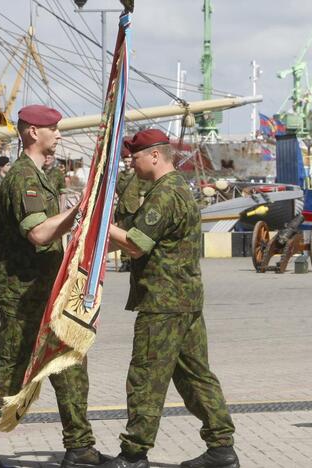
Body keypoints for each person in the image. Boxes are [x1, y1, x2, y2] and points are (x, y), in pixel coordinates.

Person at [0, 105, 108, 468]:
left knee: (70, 361)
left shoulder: (41, 176)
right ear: (31, 133)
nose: (59, 135)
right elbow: (39, 233)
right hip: (24, 294)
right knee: (11, 368)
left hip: (48, 291)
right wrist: (80, 212)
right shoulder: (23, 178)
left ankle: (80, 447)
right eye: (53, 129)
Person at [105, 129, 239, 468]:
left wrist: (100, 224)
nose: (131, 162)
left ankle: (134, 454)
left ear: (154, 155)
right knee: (195, 375)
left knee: (146, 377)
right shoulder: (176, 188)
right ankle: (221, 448)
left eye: (134, 156)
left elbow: (136, 243)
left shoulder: (165, 194)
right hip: (185, 299)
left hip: (163, 303)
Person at [114, 146, 148, 273]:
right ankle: (125, 261)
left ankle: (135, 259)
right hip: (122, 209)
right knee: (123, 235)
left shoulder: (138, 175)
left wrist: (141, 208)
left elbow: (141, 194)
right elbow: (115, 190)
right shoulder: (120, 176)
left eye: (129, 161)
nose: (128, 164)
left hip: (134, 208)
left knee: (134, 235)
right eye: (126, 162)